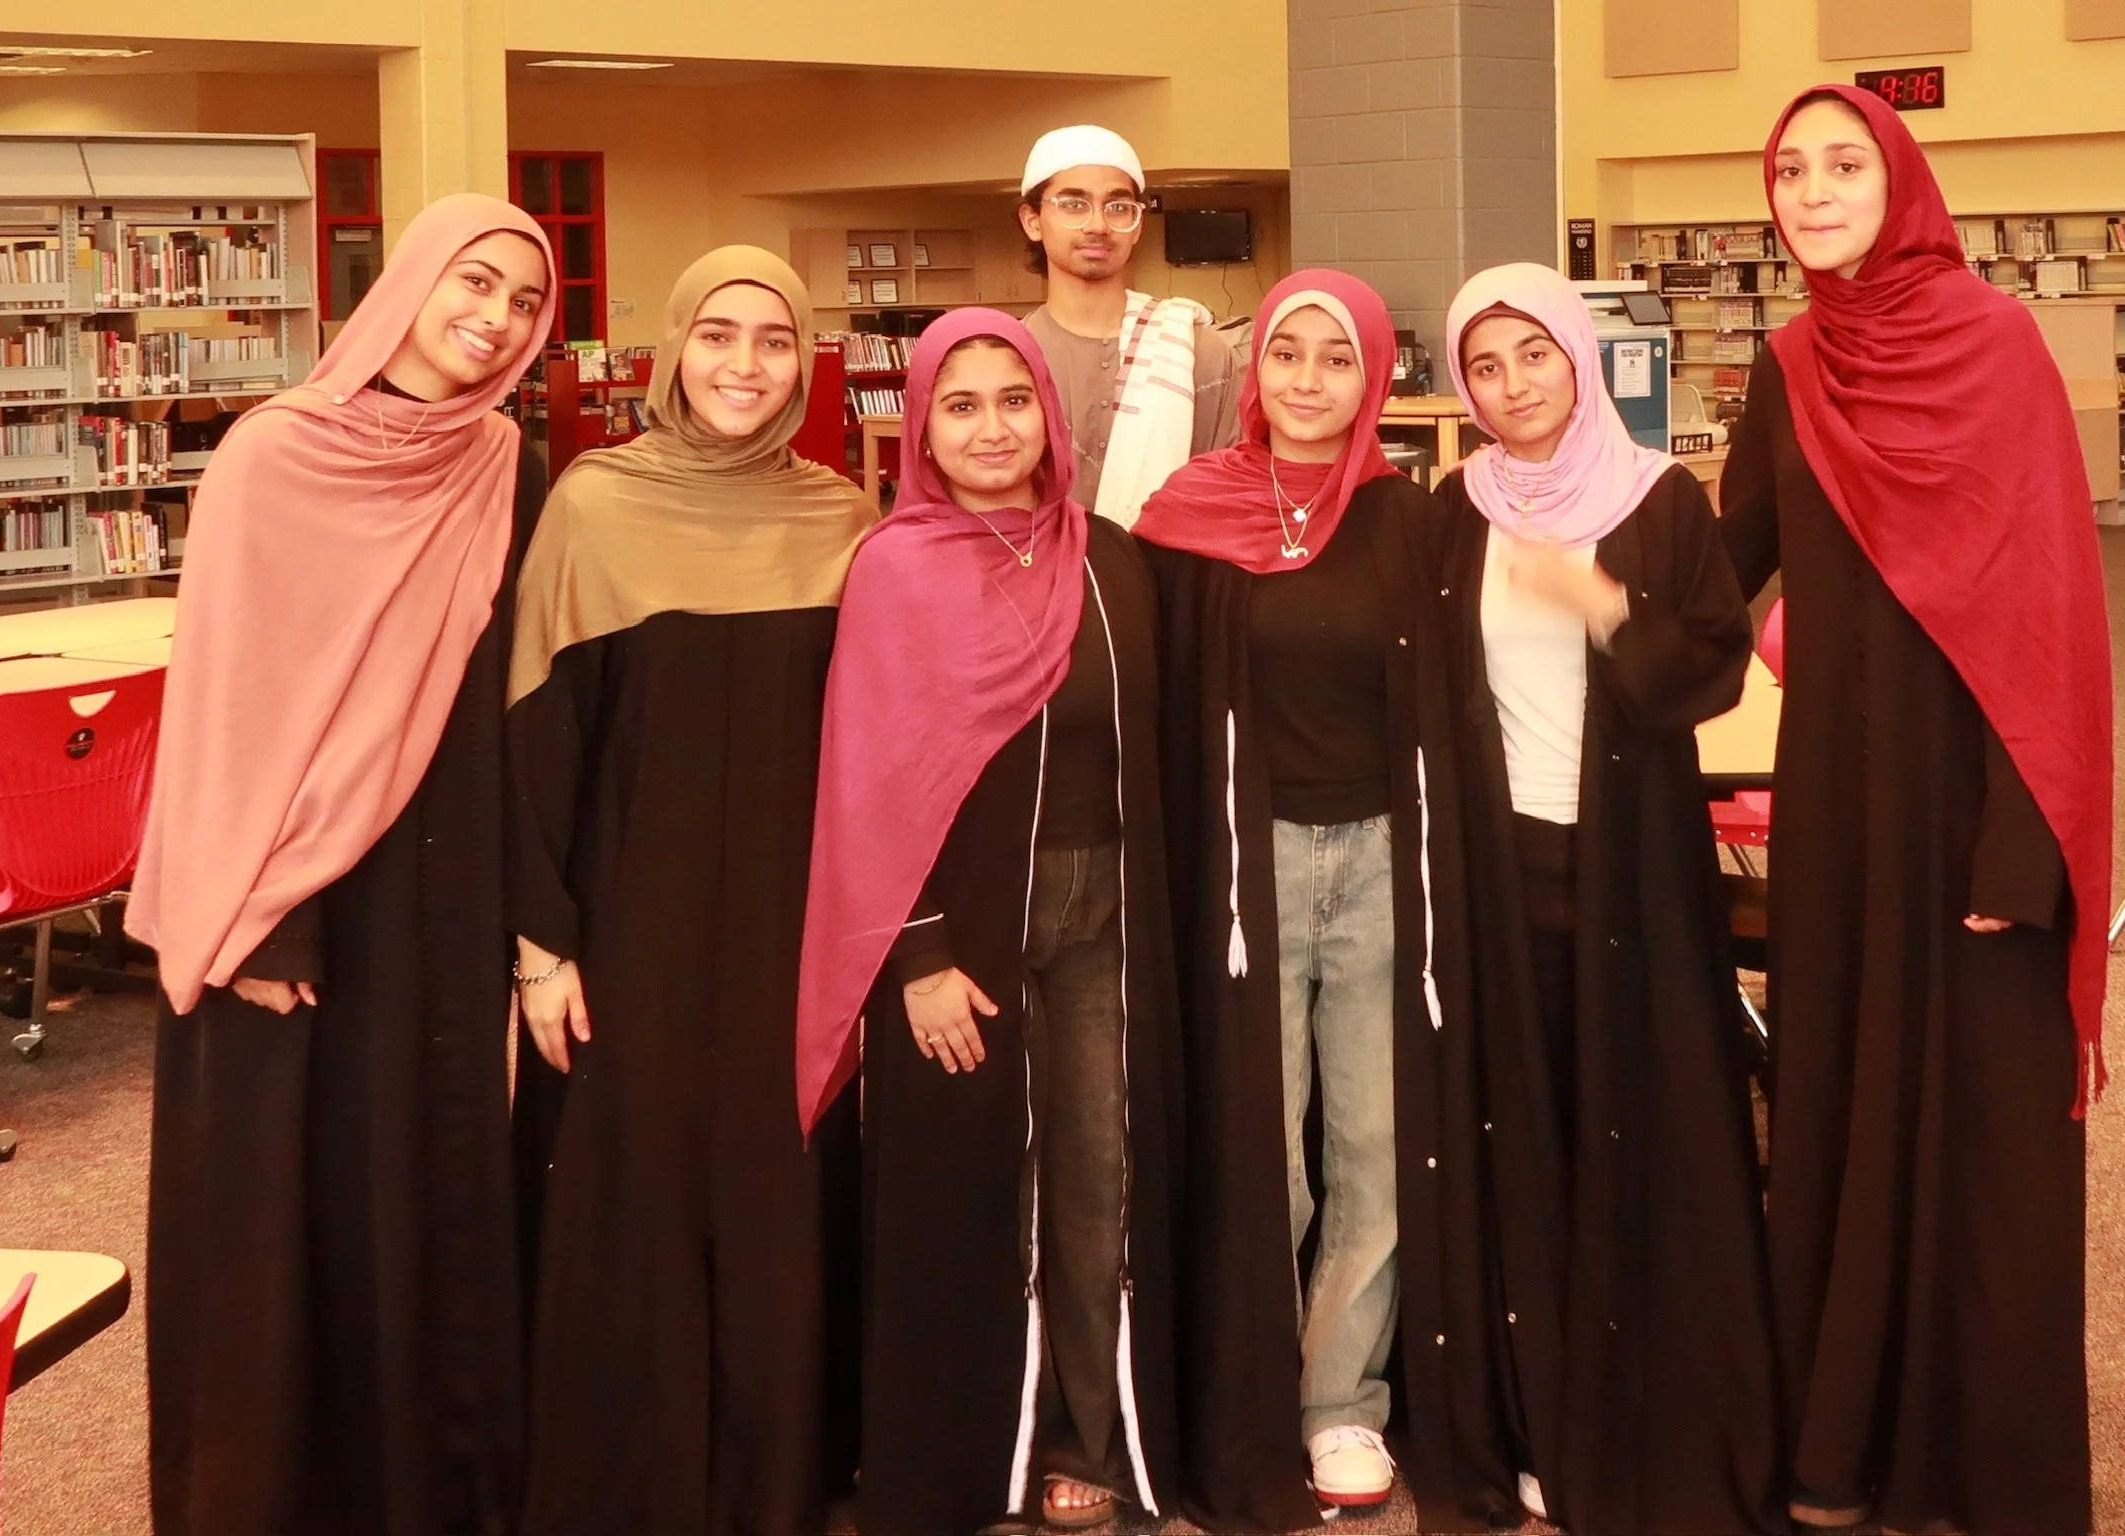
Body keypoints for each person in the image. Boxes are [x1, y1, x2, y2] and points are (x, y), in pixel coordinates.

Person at [133, 194, 555, 1536]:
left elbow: (506, 686)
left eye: (525, 302)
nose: (493, 318)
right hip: (289, 891)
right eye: (473, 283)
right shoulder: (276, 453)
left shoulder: (505, 461)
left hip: (442, 880)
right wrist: (262, 921)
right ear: (412, 284)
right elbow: (229, 696)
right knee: (281, 1207)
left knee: (425, 1180)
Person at [1720, 85, 2109, 1536]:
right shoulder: (1791, 363)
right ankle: (1844, 1449)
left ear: (1899, 179)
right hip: (1837, 812)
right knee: (1834, 1108)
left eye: (1841, 164)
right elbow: (1719, 568)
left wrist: (2024, 845)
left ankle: (1987, 1471)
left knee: (1985, 1141)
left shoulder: (1997, 346)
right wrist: (1542, 549)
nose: (1812, 189)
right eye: (1788, 170)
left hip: (1978, 806)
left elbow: (2054, 605)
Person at [505, 246, 876, 1534]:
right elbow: (537, 737)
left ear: (804, 362)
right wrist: (541, 945)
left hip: (794, 924)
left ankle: (777, 1486)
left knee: (781, 1186)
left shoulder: (839, 516)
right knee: (637, 1191)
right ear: (672, 348)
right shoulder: (594, 506)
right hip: (631, 926)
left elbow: (874, 751)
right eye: (717, 335)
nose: (744, 365)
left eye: (775, 340)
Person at [796, 307, 1180, 1535]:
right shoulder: (893, 567)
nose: (991, 428)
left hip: (1105, 926)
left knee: (1092, 1183)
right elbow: (868, 772)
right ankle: (975, 1451)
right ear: (919, 425)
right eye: (957, 405)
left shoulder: (1112, 558)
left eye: (1013, 400)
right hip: (961, 941)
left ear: (1052, 417)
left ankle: (1083, 1433)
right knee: (970, 1190)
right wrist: (917, 953)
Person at [1434, 261, 1785, 1534]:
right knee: (1523, 1129)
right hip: (1496, 865)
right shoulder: (1453, 508)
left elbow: (1711, 672)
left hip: (1631, 867)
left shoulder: (1657, 498)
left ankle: (1653, 1417)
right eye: (1486, 364)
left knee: (1646, 1124)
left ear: (1578, 356)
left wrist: (1594, 600)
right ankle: (1535, 1417)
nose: (1514, 384)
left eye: (1535, 354)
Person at [1136, 270, 1466, 1530]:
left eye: (1339, 357)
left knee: (1374, 1153)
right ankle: (1246, 1392)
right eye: (1288, 354)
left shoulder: (1409, 519)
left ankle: (1343, 1404)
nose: (1311, 380)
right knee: (1261, 1153)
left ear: (1374, 372)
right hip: (1247, 869)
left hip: (1385, 863)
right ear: (1255, 371)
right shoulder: (1186, 511)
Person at [1018, 124, 1241, 524]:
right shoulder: (1010, 356)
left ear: (1137, 226)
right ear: (1032, 221)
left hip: (1172, 578)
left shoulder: (1198, 353)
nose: (1098, 225)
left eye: (1118, 207)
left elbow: (1226, 499)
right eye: (1073, 204)